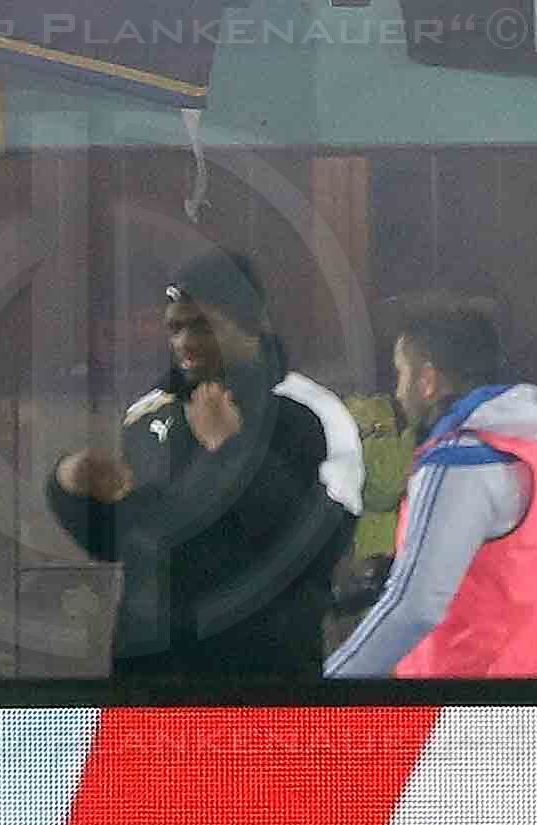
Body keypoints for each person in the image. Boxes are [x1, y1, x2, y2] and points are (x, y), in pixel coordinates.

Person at [48, 246, 347, 682]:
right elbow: (120, 543)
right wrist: (70, 486)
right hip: (152, 680)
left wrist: (229, 449)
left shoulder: (309, 413)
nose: (184, 342)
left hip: (266, 679)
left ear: (250, 325)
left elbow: (316, 547)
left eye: (203, 326)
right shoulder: (148, 416)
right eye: (175, 328)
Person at [326, 296, 537, 678]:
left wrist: (329, 685)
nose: (398, 392)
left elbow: (415, 606)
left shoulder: (461, 461)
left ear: (427, 380)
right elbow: (515, 573)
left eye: (401, 374)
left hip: (473, 711)